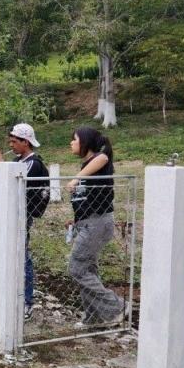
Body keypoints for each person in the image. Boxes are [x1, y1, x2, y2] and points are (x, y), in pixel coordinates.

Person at [65, 126, 127, 326]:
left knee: (77, 268)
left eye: (74, 139)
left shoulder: (99, 160)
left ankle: (116, 305)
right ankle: (95, 317)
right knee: (87, 271)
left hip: (97, 222)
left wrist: (77, 178)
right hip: (86, 223)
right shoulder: (87, 166)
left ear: (85, 142)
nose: (71, 143)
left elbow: (103, 158)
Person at [7, 123, 49, 321]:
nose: (11, 145)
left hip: (23, 215)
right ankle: (16, 295)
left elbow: (18, 188)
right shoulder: (19, 161)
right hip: (14, 214)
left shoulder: (32, 164)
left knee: (23, 256)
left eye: (15, 141)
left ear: (26, 142)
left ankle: (27, 301)